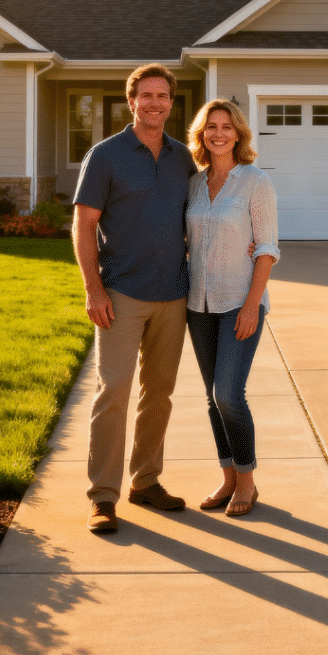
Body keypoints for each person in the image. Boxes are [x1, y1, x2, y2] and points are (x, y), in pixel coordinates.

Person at [72, 63, 198, 534]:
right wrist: (93, 289)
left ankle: (146, 481)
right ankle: (102, 497)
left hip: (174, 295)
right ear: (131, 101)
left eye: (162, 96)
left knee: (159, 395)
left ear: (171, 102)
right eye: (146, 95)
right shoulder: (105, 156)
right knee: (114, 392)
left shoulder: (182, 157)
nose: (155, 103)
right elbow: (84, 226)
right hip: (121, 294)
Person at [185, 99, 279, 517]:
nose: (218, 133)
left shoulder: (255, 182)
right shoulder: (195, 183)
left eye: (226, 126)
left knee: (229, 394)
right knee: (211, 397)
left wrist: (251, 305)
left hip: (240, 302)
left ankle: (247, 481)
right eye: (211, 127)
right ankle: (226, 478)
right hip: (198, 303)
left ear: (238, 134)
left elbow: (267, 248)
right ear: (201, 134)